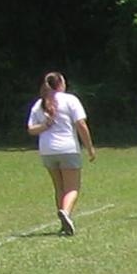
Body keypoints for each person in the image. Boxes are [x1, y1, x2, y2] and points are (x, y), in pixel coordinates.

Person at [27, 71, 95, 235]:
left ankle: (64, 222)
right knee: (72, 188)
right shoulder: (70, 100)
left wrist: (45, 126)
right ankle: (66, 212)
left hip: (47, 150)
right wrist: (89, 147)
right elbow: (81, 125)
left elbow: (31, 129)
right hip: (67, 148)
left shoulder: (39, 104)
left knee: (59, 187)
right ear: (60, 84)